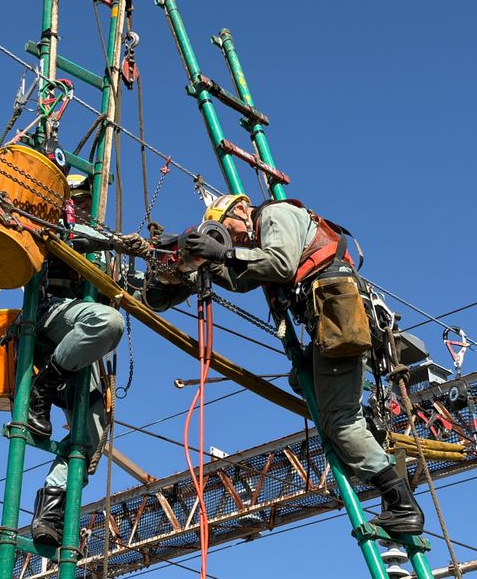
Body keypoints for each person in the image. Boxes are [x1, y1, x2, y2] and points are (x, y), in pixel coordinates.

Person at [181, 194, 425, 535]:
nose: (231, 237)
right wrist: (205, 261)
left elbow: (279, 265)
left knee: (340, 424)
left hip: (339, 322)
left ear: (239, 210)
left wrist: (222, 253)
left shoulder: (275, 215)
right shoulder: (264, 234)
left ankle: (402, 505)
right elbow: (244, 278)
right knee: (303, 378)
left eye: (228, 229)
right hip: (332, 324)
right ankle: (363, 432)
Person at [27, 174, 125, 547]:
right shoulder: (54, 222)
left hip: (81, 339)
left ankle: (50, 511)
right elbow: (69, 237)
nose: (84, 205)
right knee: (108, 321)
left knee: (91, 434)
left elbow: (141, 288)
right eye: (79, 198)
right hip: (52, 312)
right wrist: (111, 241)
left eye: (88, 199)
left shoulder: (104, 248)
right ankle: (44, 385)